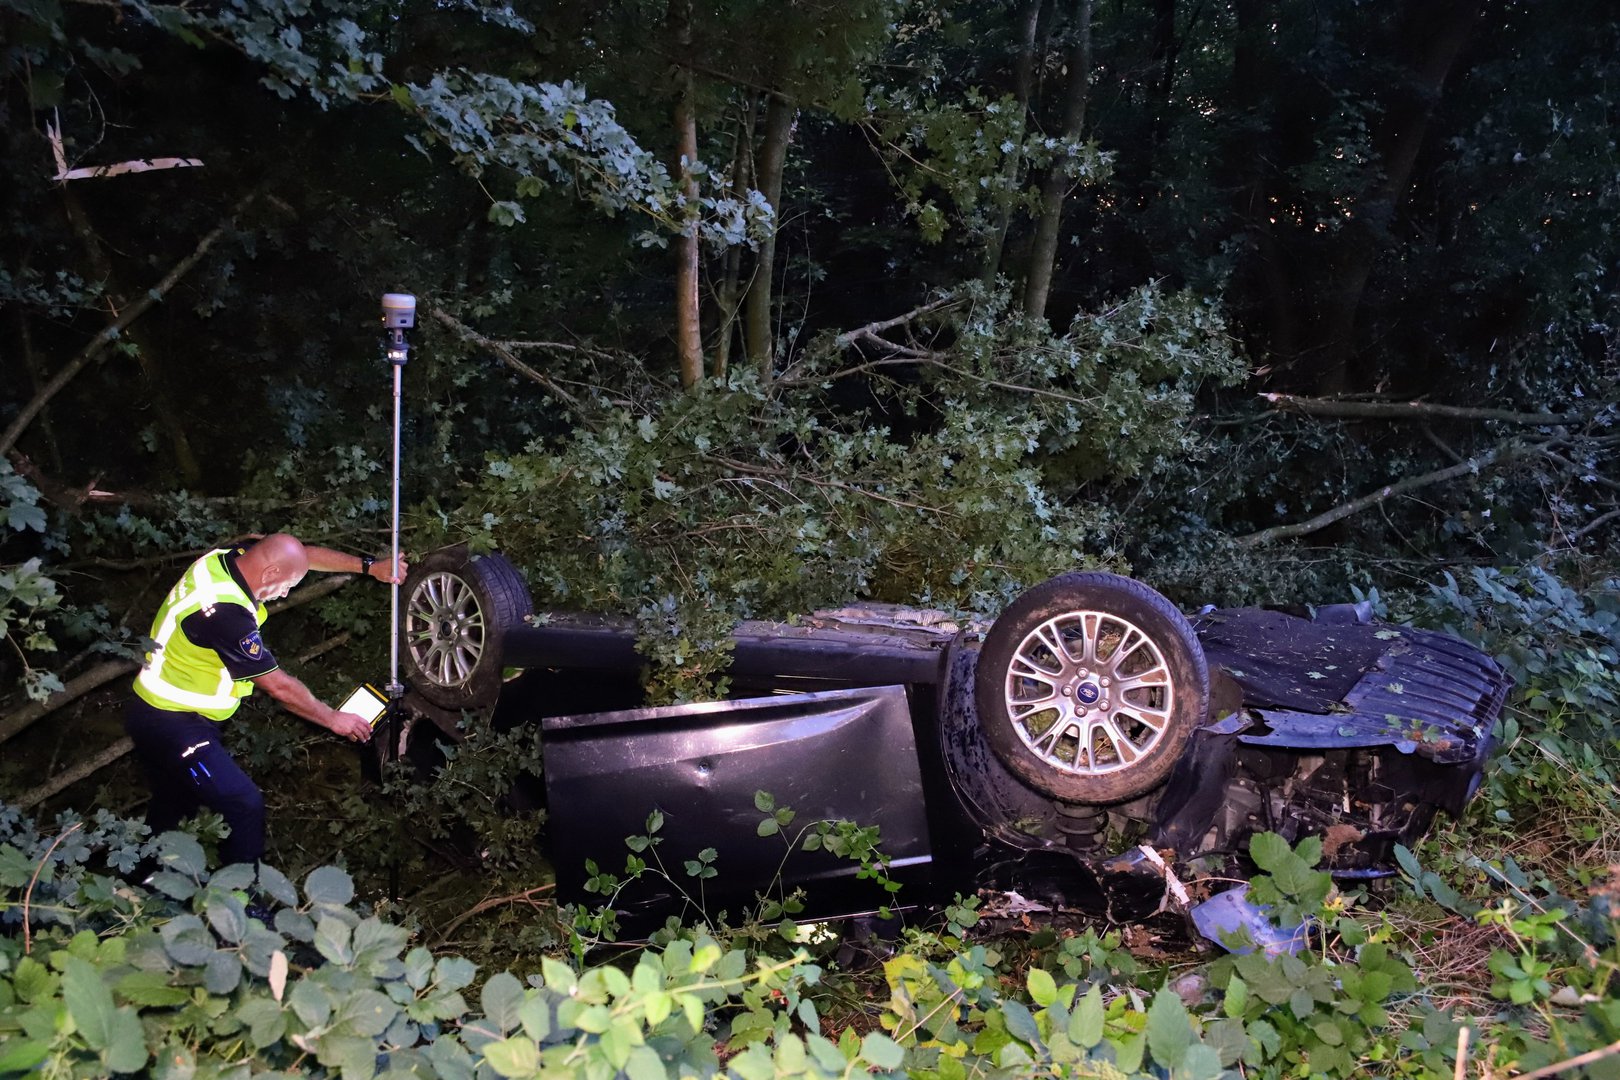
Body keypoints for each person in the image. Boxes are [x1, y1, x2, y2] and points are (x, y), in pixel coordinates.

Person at [125, 533, 407, 866]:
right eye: (286, 585)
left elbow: (301, 555)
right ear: (271, 572)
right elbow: (278, 687)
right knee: (243, 804)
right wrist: (332, 718)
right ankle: (243, 893)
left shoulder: (234, 556)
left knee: (174, 801)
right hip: (171, 724)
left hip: (160, 712)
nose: (285, 593)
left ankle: (143, 875)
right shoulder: (223, 613)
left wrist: (370, 567)